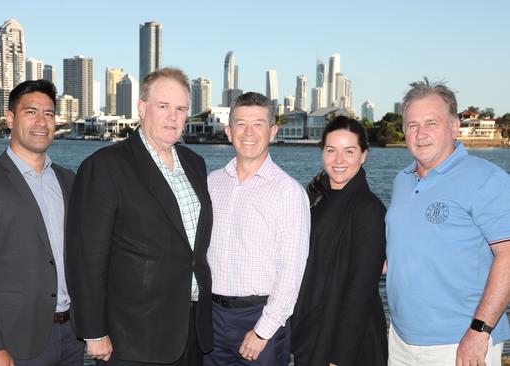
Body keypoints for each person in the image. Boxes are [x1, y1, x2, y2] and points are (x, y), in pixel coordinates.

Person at [66, 67, 213, 365]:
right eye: (163, 106)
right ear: (142, 108)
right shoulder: (105, 166)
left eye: (181, 108)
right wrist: (94, 331)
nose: (173, 116)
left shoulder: (194, 163)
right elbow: (86, 257)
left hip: (191, 328)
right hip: (134, 335)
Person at [0, 79, 84, 365]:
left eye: (49, 114)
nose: (41, 122)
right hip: (12, 342)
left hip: (71, 338)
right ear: (10, 118)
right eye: (31, 112)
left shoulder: (69, 181)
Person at [386, 78, 510, 366]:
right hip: (401, 340)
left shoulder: (486, 179)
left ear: (454, 127)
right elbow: (400, 254)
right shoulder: (401, 180)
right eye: (412, 125)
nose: (420, 134)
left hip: (459, 343)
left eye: (431, 123)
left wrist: (479, 331)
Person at [203, 92, 310, 365]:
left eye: (258, 124)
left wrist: (263, 332)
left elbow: (292, 270)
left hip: (260, 317)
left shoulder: (288, 192)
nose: (248, 132)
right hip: (211, 316)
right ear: (228, 132)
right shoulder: (211, 183)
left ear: (272, 132)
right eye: (240, 124)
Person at [290, 116, 387, 366]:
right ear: (322, 152)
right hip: (315, 327)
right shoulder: (316, 196)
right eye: (331, 150)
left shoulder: (368, 209)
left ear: (363, 155)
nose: (339, 160)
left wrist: (339, 358)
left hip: (348, 342)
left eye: (349, 151)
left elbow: (361, 290)